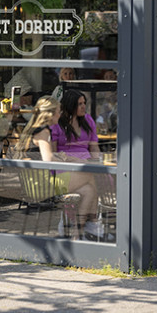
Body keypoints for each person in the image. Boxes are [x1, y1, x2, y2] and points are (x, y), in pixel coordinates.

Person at [46, 89, 104, 238]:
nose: (84, 107)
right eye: (80, 104)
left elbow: (94, 146)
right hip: (64, 170)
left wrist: (96, 161)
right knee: (93, 176)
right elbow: (53, 155)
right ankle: (93, 220)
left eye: (84, 103)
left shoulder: (88, 120)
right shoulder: (57, 123)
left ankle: (77, 230)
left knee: (89, 190)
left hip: (86, 166)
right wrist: (79, 162)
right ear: (70, 106)